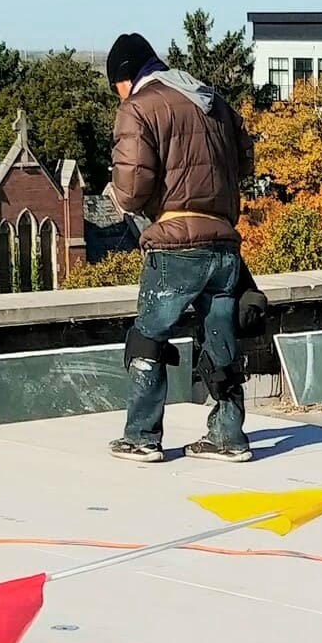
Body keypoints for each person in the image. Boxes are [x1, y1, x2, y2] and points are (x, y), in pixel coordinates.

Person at [106, 32, 253, 463]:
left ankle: (141, 436)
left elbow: (133, 189)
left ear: (125, 76)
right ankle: (228, 436)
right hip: (224, 244)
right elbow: (245, 162)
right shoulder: (213, 100)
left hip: (174, 243)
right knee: (221, 343)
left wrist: (119, 195)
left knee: (147, 340)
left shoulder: (138, 107)